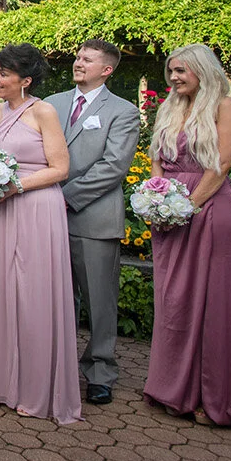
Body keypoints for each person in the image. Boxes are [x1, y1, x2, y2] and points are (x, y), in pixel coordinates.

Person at [142, 44, 231, 433]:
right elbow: (156, 157)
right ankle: (171, 389)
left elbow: (222, 163)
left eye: (182, 71)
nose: (175, 78)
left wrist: (187, 207)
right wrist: (157, 196)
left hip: (208, 208)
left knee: (211, 301)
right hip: (170, 209)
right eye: (172, 71)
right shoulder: (171, 106)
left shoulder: (224, 106)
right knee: (174, 299)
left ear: (203, 70)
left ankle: (212, 396)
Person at [0, 45, 82, 423]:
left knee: (34, 294)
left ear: (27, 80)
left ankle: (38, 387)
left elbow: (61, 168)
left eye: (3, 74)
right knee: (2, 292)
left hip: (36, 207)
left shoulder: (44, 111)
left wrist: (16, 186)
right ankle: (5, 382)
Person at [45, 39, 138, 405]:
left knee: (99, 301)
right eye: (78, 57)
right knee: (56, 297)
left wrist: (64, 197)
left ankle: (100, 371)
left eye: (88, 59)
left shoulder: (123, 111)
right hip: (47, 220)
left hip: (94, 218)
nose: (78, 62)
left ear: (107, 69)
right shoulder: (52, 104)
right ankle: (58, 367)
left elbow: (114, 166)